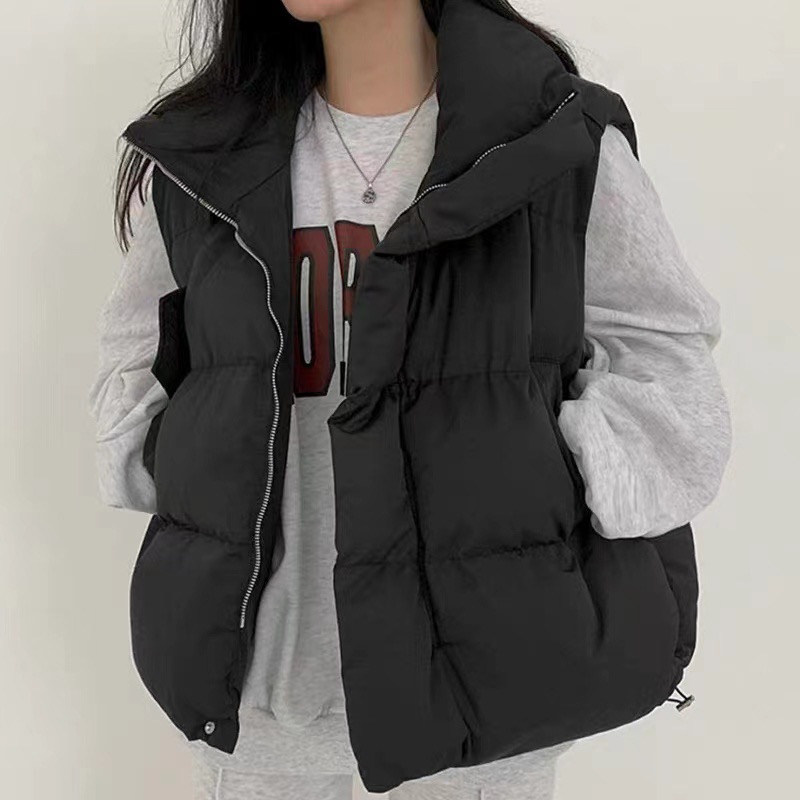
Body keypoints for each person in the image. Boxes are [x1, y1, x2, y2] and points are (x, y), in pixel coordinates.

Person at [88, 0, 732, 798]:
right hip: (261, 713)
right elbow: (133, 372)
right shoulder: (200, 159)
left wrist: (548, 473)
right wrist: (189, 461)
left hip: (486, 702)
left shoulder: (553, 138)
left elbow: (666, 361)